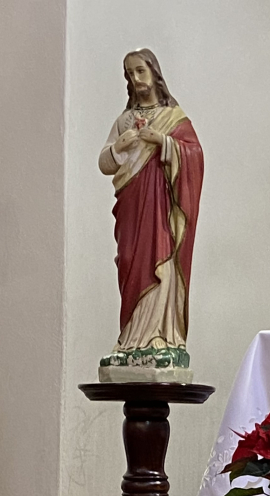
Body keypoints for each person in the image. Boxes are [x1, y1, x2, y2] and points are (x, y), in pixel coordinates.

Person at [98, 49, 203, 379]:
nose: (135, 78)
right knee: (131, 259)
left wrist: (164, 142)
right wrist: (120, 146)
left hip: (161, 208)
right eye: (129, 73)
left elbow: (195, 155)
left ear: (154, 72)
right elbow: (104, 163)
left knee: (160, 260)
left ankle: (159, 335)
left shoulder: (174, 117)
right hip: (131, 204)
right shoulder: (124, 121)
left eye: (140, 71)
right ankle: (131, 339)